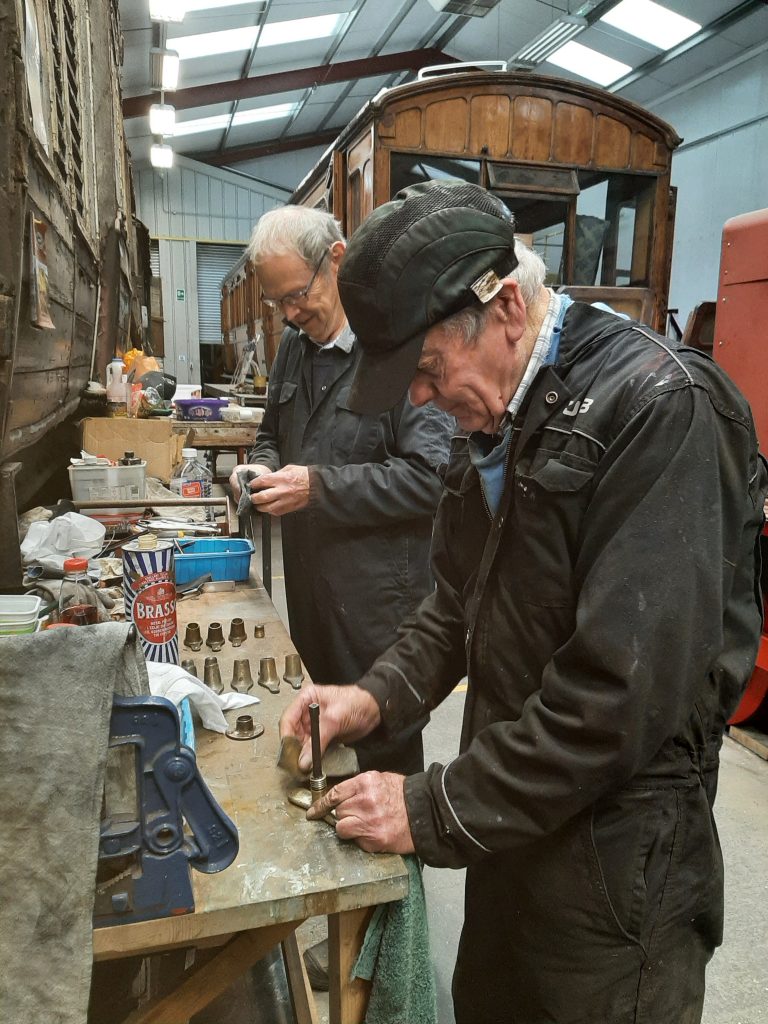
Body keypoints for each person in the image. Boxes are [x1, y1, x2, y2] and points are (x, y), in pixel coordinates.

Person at [280, 180, 768, 1024]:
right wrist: (372, 696)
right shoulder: (500, 416)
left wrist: (429, 806)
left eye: (428, 369)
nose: (422, 400)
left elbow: (617, 698)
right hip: (513, 828)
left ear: (506, 305)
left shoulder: (660, 412)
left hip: (616, 876)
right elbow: (454, 603)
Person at [230, 204, 452, 777]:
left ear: (336, 260)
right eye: (277, 302)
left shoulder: (397, 349)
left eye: (298, 294)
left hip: (379, 615)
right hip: (311, 601)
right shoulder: (294, 349)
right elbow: (270, 437)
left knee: (382, 761)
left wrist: (318, 488)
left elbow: (431, 478)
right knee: (320, 746)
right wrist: (258, 469)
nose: (290, 312)